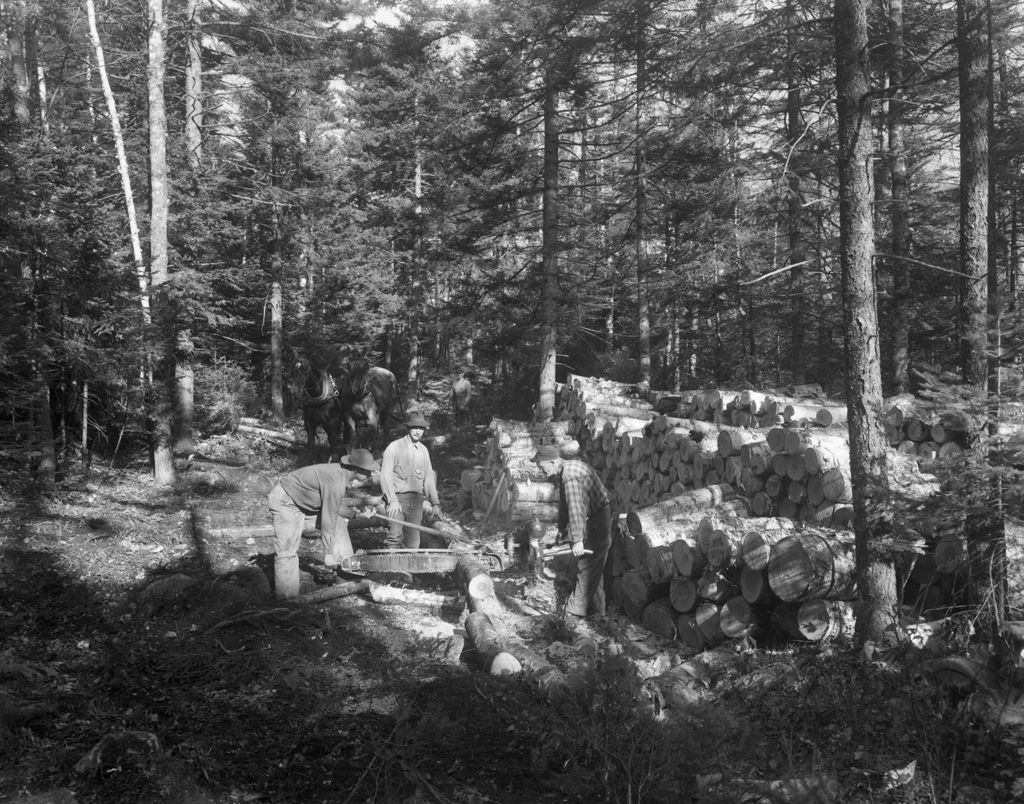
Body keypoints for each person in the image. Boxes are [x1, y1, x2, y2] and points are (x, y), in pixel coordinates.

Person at [267, 448, 380, 599]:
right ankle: (289, 600)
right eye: (367, 471)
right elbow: (328, 517)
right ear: (356, 469)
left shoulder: (341, 475)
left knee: (339, 523)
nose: (370, 474)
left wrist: (357, 514)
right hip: (286, 500)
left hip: (304, 502)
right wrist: (328, 553)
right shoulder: (336, 480)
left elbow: (334, 506)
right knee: (287, 549)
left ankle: (346, 575)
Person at [533, 444, 612, 622]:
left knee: (587, 565)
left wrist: (577, 540)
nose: (540, 470)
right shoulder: (565, 471)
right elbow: (565, 505)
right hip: (594, 516)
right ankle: (599, 613)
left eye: (541, 466)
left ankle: (572, 615)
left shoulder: (570, 476)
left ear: (552, 462)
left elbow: (576, 509)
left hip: (599, 517)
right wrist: (562, 531)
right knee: (595, 565)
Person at [379, 413, 442, 549]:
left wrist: (435, 503)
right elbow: (385, 476)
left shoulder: (423, 451)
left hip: (416, 501)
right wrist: (392, 500)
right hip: (397, 499)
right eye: (415, 428)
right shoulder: (394, 447)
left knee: (413, 542)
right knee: (395, 536)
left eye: (421, 428)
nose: (418, 431)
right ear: (408, 428)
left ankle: (408, 569)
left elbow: (429, 478)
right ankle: (390, 568)